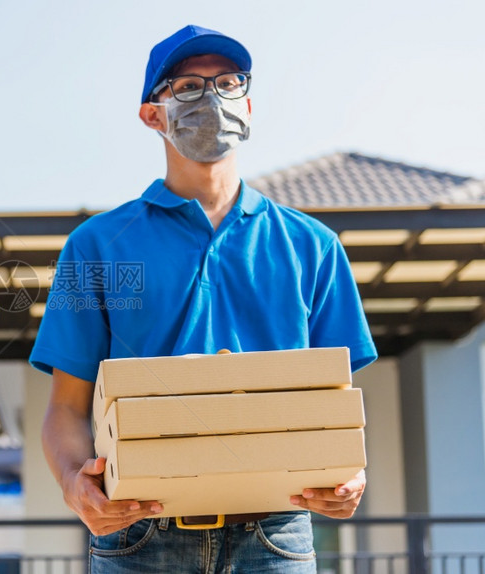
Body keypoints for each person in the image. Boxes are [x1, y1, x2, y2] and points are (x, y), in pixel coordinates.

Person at [29, 24, 377, 572]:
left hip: (276, 535)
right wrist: (76, 484)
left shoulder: (314, 247)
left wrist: (349, 472)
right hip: (139, 534)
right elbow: (66, 410)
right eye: (188, 87)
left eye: (229, 83)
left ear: (249, 106)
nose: (213, 98)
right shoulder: (93, 246)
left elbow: (335, 407)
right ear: (152, 114)